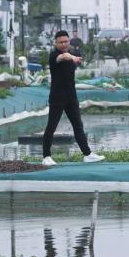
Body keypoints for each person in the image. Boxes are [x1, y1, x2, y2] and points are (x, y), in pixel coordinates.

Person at [42, 30, 104, 166]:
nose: (64, 44)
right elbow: (62, 57)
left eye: (66, 41)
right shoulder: (54, 55)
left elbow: (70, 60)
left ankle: (87, 154)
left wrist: (74, 58)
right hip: (57, 97)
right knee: (51, 126)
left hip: (71, 97)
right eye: (61, 42)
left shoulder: (72, 56)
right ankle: (46, 156)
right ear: (56, 43)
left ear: (69, 42)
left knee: (78, 126)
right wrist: (71, 57)